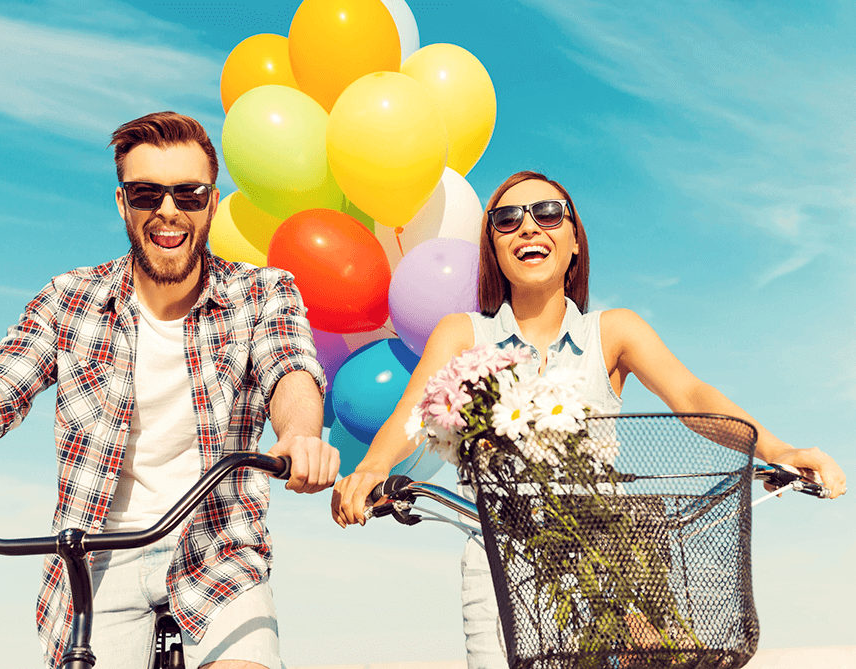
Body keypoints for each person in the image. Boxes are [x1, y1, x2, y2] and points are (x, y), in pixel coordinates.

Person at [0, 111, 340, 669]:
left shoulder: (262, 292)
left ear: (212, 203)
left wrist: (301, 438)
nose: (168, 211)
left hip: (219, 550)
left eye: (188, 194)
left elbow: (290, 368)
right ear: (122, 203)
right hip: (92, 563)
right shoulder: (71, 297)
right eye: (146, 194)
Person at [331, 170, 847, 669]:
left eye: (548, 214)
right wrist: (373, 468)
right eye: (507, 219)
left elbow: (690, 394)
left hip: (611, 565)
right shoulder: (463, 334)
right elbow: (412, 416)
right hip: (499, 573)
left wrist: (777, 451)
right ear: (492, 247)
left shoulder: (613, 331)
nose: (528, 227)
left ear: (574, 241)